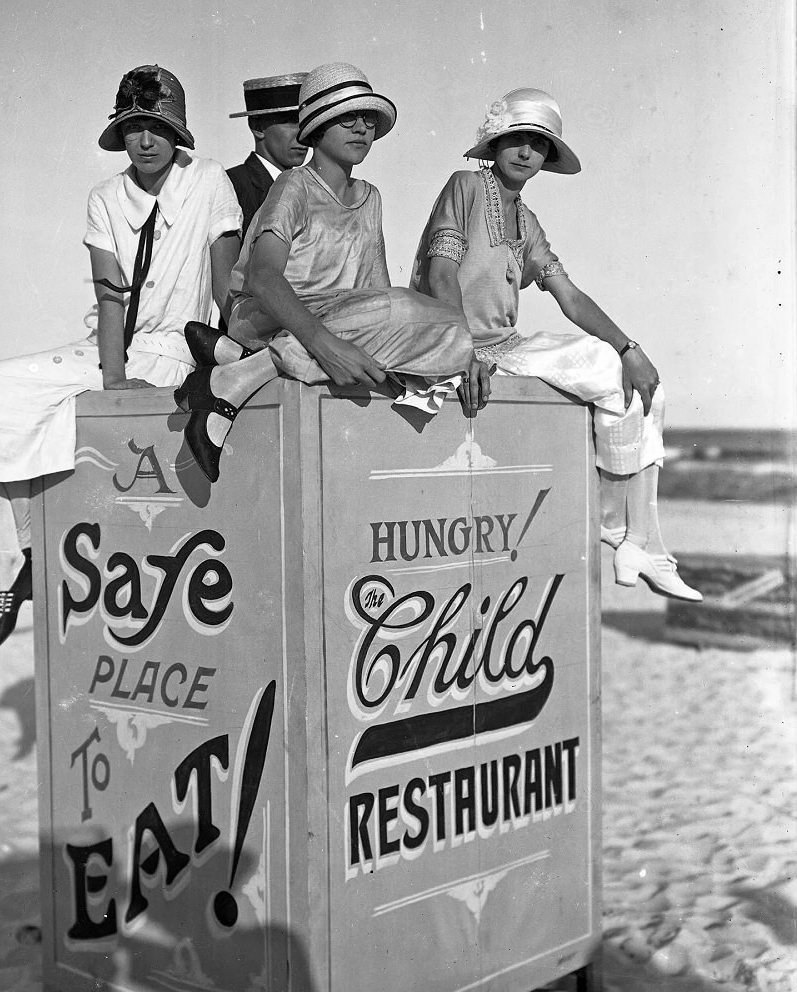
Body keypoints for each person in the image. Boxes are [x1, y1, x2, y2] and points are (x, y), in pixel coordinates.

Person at [0, 65, 243, 654]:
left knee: (36, 414)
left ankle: (17, 564)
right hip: (110, 350)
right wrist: (114, 381)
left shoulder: (208, 182)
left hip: (173, 352)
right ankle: (12, 562)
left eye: (157, 127)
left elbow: (227, 289)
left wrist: (243, 356)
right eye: (132, 129)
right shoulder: (104, 198)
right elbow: (109, 297)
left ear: (177, 133)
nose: (145, 141)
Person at [412, 88, 700, 602]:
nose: (526, 153)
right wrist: (464, 351)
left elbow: (569, 296)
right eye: (516, 141)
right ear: (495, 144)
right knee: (607, 368)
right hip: (450, 345)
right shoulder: (465, 187)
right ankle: (627, 533)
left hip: (505, 346)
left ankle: (633, 535)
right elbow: (439, 275)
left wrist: (632, 347)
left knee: (642, 381)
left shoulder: (526, 219)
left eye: (539, 146)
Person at [176, 62, 489, 484]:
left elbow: (376, 291)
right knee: (415, 322)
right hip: (273, 318)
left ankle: (244, 370)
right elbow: (263, 279)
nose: (362, 128)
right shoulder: (293, 185)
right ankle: (236, 377)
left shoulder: (371, 197)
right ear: (318, 127)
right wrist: (327, 346)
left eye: (368, 119)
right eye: (348, 118)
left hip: (342, 324)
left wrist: (440, 347)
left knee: (451, 331)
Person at [227, 73, 309, 237]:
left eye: (306, 122)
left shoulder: (310, 187)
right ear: (258, 127)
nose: (303, 133)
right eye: (291, 121)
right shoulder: (231, 185)